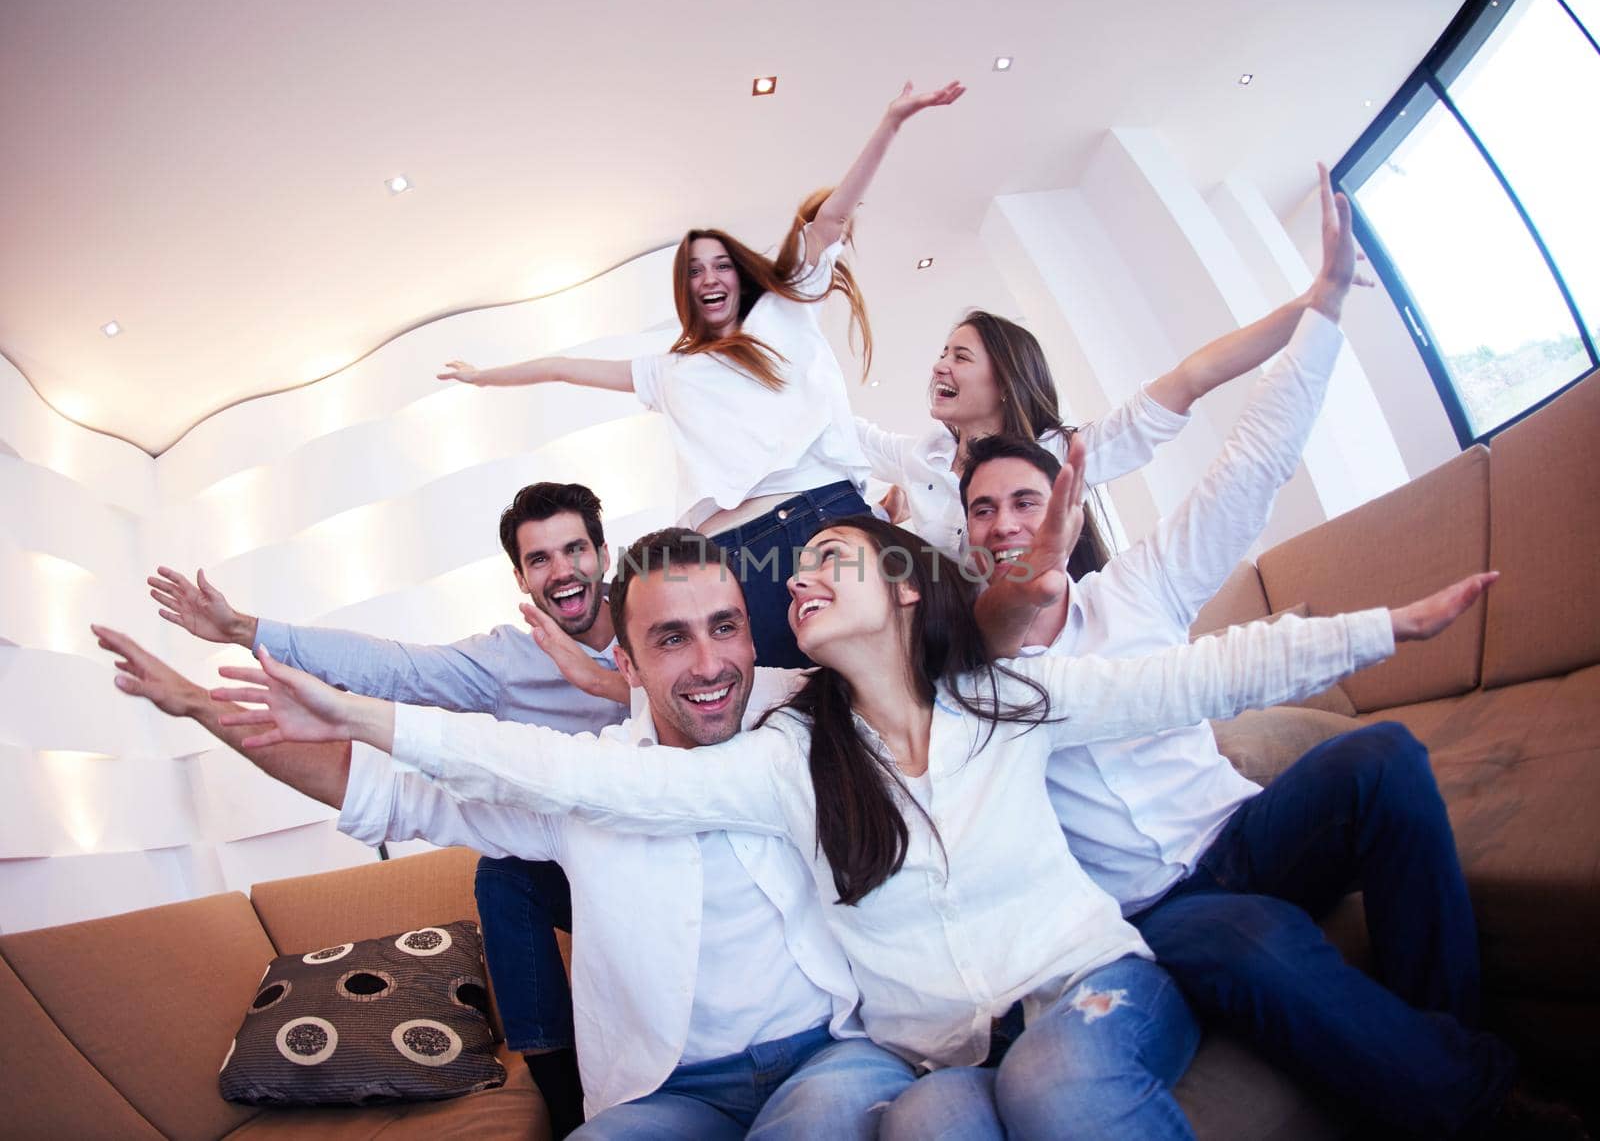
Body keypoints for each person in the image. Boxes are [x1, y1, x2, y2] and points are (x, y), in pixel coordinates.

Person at [210, 514, 1489, 1139]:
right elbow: (587, 781)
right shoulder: (786, 756)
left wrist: (1385, 629)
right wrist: (369, 716)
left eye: (830, 562)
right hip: (924, 1044)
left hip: (1087, 982)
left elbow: (1191, 677)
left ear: (900, 588)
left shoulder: (1006, 702)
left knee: (1057, 1075)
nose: (801, 586)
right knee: (967, 1103)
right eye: (799, 574)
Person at [956, 170, 1541, 1138]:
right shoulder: (978, 685)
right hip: (1163, 908)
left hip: (1250, 831)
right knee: (1253, 936)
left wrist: (1326, 310)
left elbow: (1250, 469)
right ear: (970, 540)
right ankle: (1485, 1102)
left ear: (1067, 501)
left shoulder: (1134, 588)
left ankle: (1444, 1053)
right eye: (985, 511)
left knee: (1385, 758)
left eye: (1026, 499)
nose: (1010, 523)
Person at [94, 562, 918, 1139]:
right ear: (623, 663)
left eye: (725, 627)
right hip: (669, 1092)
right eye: (671, 639)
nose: (710, 664)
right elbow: (384, 790)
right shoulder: (580, 781)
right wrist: (202, 707)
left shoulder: (801, 720)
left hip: (825, 1058)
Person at [146, 480, 625, 1135]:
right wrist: (241, 630)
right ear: (520, 576)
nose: (562, 569)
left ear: (603, 552)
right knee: (504, 875)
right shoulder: (507, 665)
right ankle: (565, 1103)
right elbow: (395, 669)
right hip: (574, 860)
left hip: (666, 853)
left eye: (575, 549)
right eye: (540, 559)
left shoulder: (655, 625)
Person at [436, 80, 965, 668]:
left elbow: (829, 219)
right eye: (693, 270)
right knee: (787, 718)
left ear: (740, 274)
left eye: (720, 264)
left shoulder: (783, 311)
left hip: (818, 523)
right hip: (732, 557)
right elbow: (563, 368)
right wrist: (484, 376)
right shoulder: (668, 371)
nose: (709, 277)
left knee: (907, 673)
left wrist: (891, 121)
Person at [855, 162, 1374, 562]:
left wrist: (1310, 305)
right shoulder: (921, 457)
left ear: (1006, 382)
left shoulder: (1060, 452)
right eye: (942, 354)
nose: (938, 367)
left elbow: (1190, 378)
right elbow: (844, 425)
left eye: (960, 357)